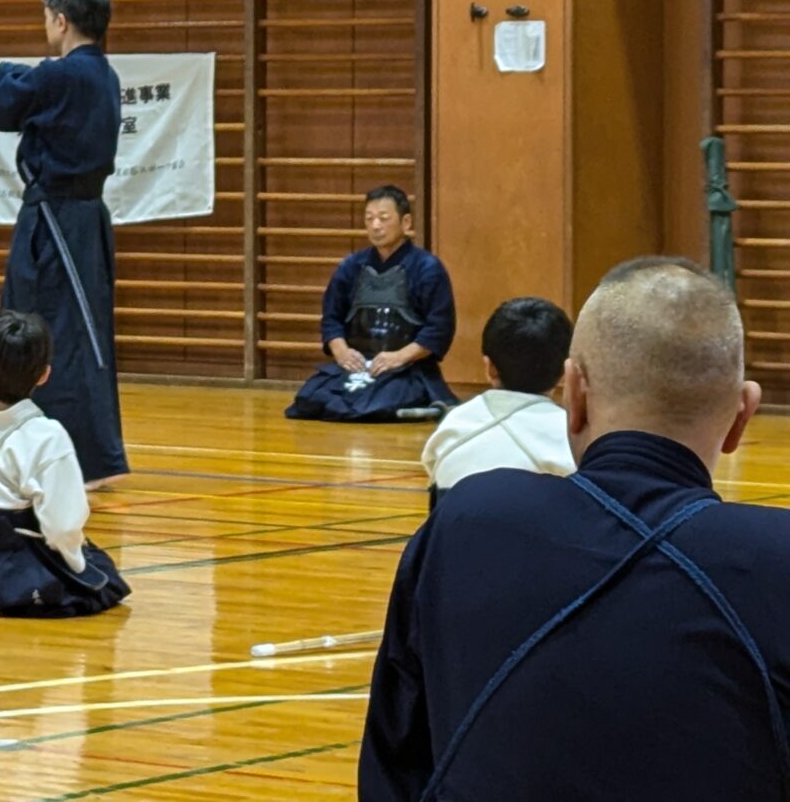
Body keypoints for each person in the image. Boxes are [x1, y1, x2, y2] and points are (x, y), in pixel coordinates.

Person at [360, 257, 790, 801]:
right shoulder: (776, 561)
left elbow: (393, 763)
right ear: (741, 416)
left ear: (573, 394)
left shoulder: (467, 520)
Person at [0, 0, 128, 484]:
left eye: (46, 18)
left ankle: (80, 457)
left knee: (58, 335)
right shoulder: (93, 73)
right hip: (66, 220)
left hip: (61, 223)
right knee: (40, 328)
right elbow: (18, 75)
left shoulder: (66, 78)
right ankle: (37, 449)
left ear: (61, 20)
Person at [0, 309, 130, 617]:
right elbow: (62, 526)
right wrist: (77, 566)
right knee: (103, 577)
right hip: (22, 573)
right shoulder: (48, 435)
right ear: (44, 374)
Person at [284, 185, 458, 422]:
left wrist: (399, 357)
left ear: (406, 222)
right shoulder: (351, 266)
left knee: (374, 406)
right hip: (358, 364)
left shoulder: (428, 268)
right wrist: (342, 351)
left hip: (406, 366)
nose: (376, 225)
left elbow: (439, 328)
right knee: (309, 400)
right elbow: (331, 318)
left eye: (384, 218)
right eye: (370, 218)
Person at [421, 296, 574, 508]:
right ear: (565, 373)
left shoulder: (452, 425)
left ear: (489, 368)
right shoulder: (573, 436)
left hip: (453, 539)